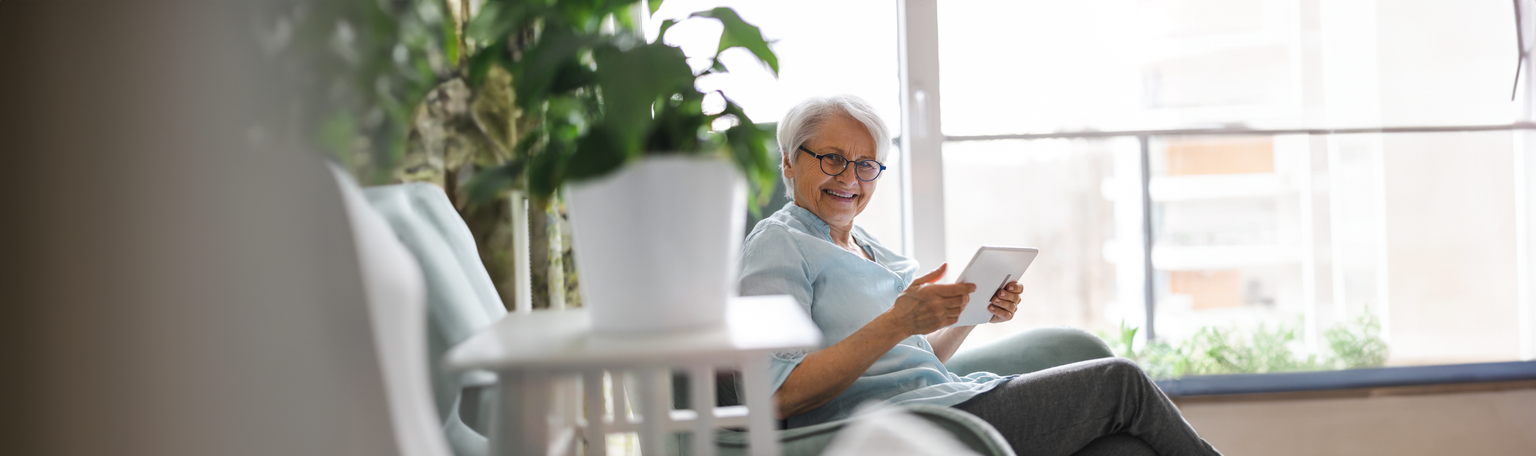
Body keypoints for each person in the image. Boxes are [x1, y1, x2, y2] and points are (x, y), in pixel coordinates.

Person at [738, 95, 1221, 455]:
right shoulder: (778, 243)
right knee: (1120, 382)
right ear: (788, 160)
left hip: (945, 400)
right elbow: (777, 395)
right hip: (897, 427)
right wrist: (898, 321)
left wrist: (971, 315)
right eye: (832, 159)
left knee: (1121, 448)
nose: (849, 178)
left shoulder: (869, 248)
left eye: (866, 165)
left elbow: (917, 358)